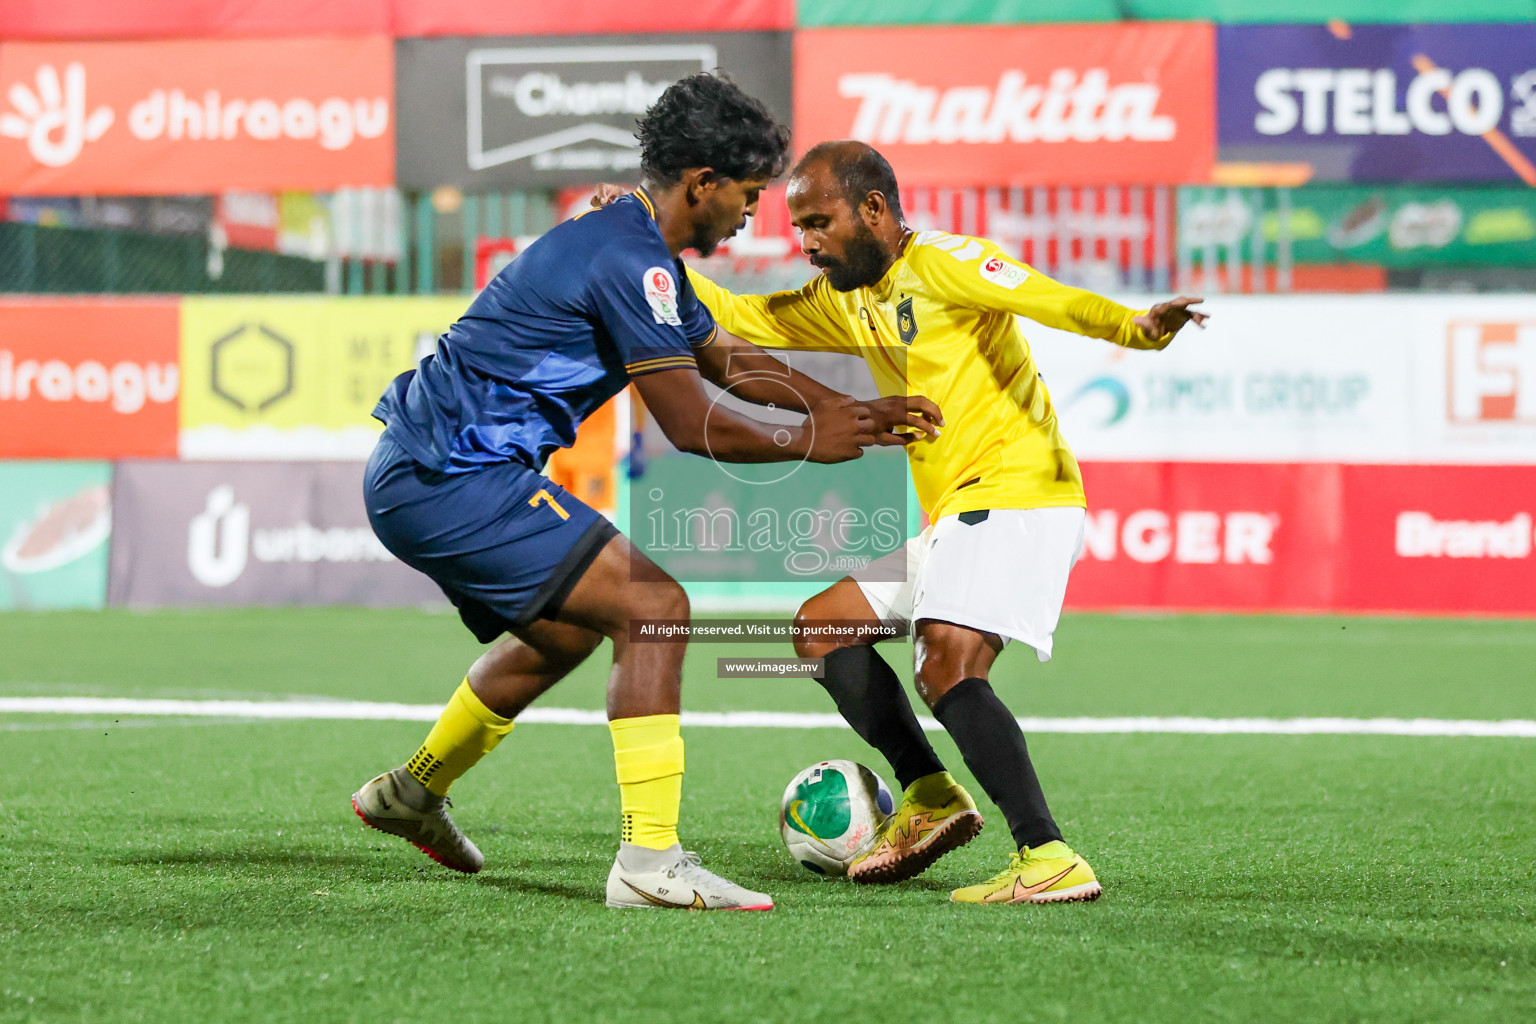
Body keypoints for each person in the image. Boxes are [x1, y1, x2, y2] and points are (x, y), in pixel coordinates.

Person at [350, 80, 937, 912]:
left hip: (431, 468)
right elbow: (694, 422)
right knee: (653, 602)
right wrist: (811, 440)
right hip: (451, 472)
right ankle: (648, 861)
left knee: (563, 634)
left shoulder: (633, 244)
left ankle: (413, 792)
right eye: (747, 195)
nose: (750, 215)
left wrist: (842, 411)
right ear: (701, 183)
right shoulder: (627, 256)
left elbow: (724, 358)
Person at [683, 141, 1208, 904]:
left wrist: (1136, 327)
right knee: (822, 629)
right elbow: (738, 312)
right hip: (957, 514)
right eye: (800, 227)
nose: (809, 242)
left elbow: (1047, 297)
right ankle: (930, 797)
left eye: (820, 221)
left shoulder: (944, 264)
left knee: (947, 666)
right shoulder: (845, 297)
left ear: (874, 209)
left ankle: (1048, 855)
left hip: (1019, 497)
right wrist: (648, 259)